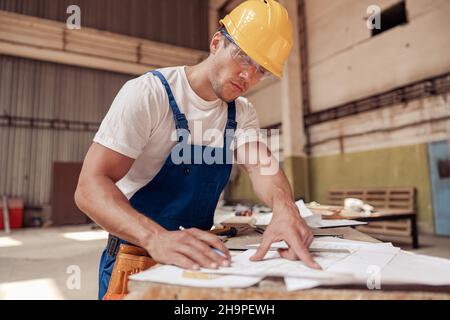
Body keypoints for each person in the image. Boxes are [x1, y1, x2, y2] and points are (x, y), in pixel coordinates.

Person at [74, 0, 321, 300]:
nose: (249, 77)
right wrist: (155, 238)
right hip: (135, 258)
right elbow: (89, 187)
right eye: (243, 57)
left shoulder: (241, 113)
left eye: (262, 71)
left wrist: (285, 209)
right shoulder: (150, 94)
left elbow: (262, 167)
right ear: (217, 42)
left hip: (200, 261)